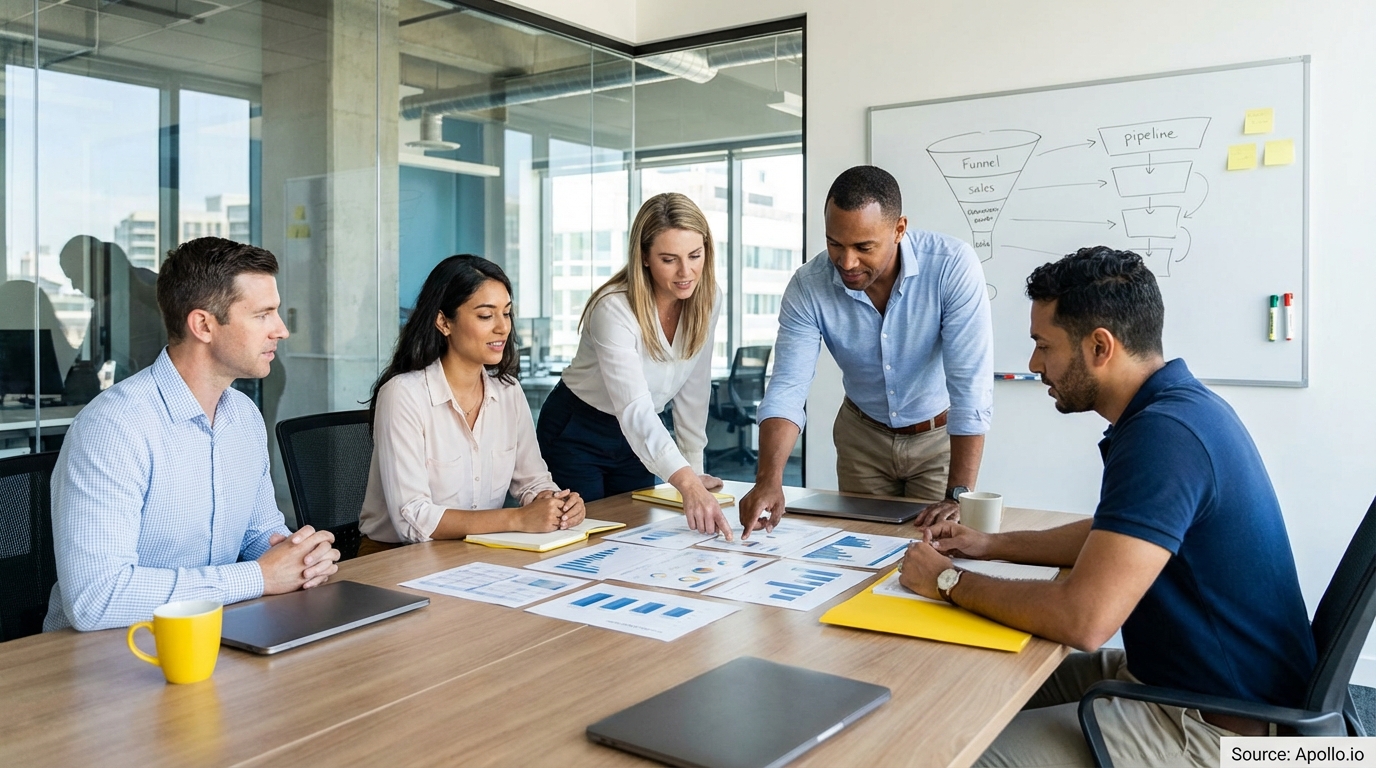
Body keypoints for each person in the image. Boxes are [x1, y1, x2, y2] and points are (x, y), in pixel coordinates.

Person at [900, 246, 1317, 767]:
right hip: (1184, 682)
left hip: (1216, 728)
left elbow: (1084, 620)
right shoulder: (1179, 409)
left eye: (1042, 345)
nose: (1034, 365)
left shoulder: (1164, 437)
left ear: (1100, 346)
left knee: (951, 754)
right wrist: (990, 545)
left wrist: (947, 581)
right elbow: (1118, 534)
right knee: (970, 687)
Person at [44, 237, 340, 632]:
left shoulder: (243, 416)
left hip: (212, 634)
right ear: (203, 325)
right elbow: (97, 598)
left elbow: (259, 536)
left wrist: (299, 557)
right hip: (106, 657)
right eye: (263, 315)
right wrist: (261, 577)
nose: (281, 330)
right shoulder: (114, 428)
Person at [740, 165, 993, 537]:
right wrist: (768, 478)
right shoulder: (808, 286)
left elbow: (970, 385)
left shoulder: (951, 266)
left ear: (899, 229)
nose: (846, 262)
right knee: (863, 552)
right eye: (835, 244)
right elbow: (787, 387)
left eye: (863, 247)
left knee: (932, 549)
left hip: (937, 441)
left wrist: (958, 495)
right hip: (862, 438)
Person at [359, 255, 585, 556]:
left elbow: (532, 480)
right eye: (485, 316)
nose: (502, 328)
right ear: (443, 322)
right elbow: (412, 520)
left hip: (477, 551)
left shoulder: (508, 392)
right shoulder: (404, 395)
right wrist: (517, 518)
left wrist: (556, 503)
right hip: (395, 556)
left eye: (506, 314)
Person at [537, 193, 731, 538]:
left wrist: (694, 470)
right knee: (584, 542)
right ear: (643, 256)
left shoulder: (708, 297)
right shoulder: (613, 309)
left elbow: (694, 387)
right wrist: (686, 484)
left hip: (636, 439)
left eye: (695, 256)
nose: (686, 272)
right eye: (669, 259)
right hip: (577, 431)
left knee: (634, 538)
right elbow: (634, 409)